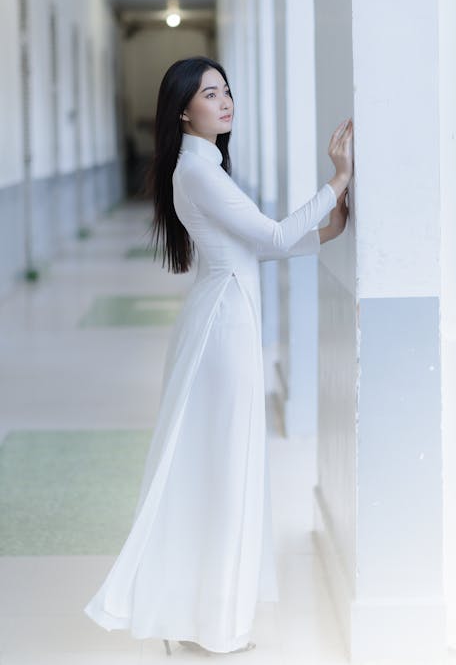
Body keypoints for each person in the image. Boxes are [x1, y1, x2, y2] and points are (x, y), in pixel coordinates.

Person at [83, 56, 354, 656]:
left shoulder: (202, 168)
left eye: (227, 90)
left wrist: (328, 231)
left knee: (215, 469)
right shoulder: (198, 171)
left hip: (221, 321)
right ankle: (214, 623)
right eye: (211, 93)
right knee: (225, 471)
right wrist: (336, 179)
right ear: (183, 108)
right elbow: (273, 236)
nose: (225, 101)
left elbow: (255, 247)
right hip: (222, 333)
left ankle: (199, 613)